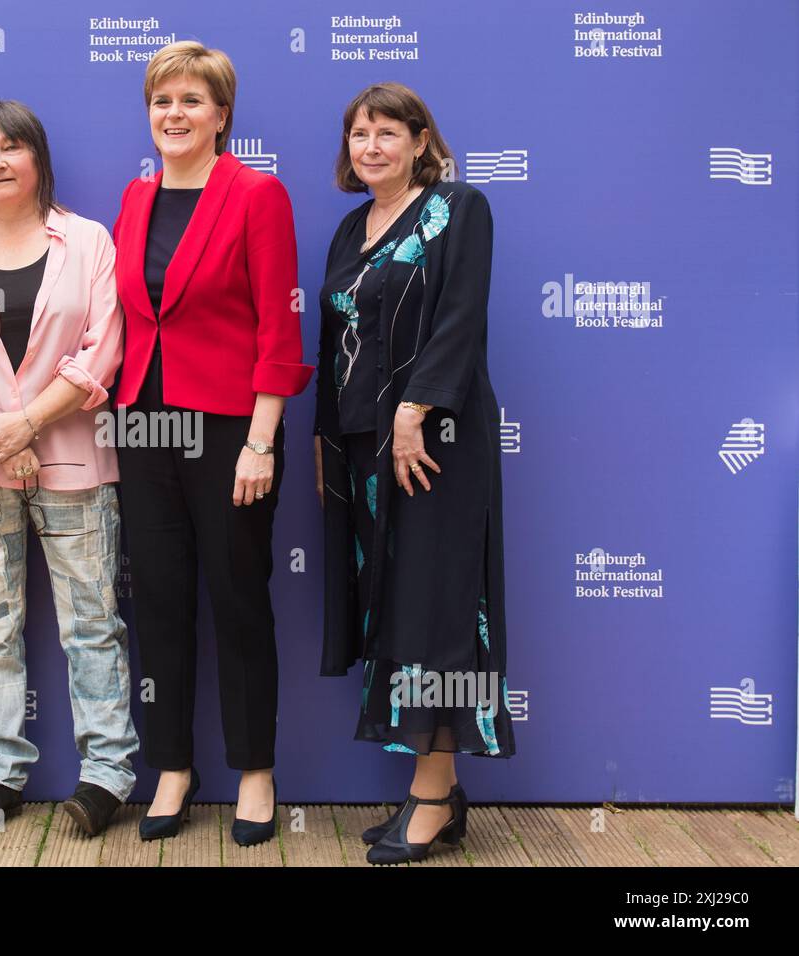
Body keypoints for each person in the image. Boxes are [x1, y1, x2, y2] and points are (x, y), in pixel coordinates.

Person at [0, 100, 138, 839]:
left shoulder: (87, 242)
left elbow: (100, 350)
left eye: (12, 147)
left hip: (73, 458)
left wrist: (28, 423)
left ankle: (107, 773)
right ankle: (1, 774)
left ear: (38, 157)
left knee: (92, 623)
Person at [111, 41, 313, 847]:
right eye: (162, 101)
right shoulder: (135, 198)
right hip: (143, 427)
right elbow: (131, 320)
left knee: (237, 599)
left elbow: (280, 326)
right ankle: (172, 767)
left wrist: (262, 442)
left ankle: (255, 771)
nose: (175, 114)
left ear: (222, 115)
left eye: (192, 100)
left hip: (233, 428)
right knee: (157, 602)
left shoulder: (257, 196)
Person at [313, 81, 516, 865]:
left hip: (437, 447)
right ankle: (442, 788)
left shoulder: (458, 210)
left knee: (437, 613)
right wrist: (334, 449)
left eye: (387, 132)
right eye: (359, 133)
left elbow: (461, 316)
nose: (371, 146)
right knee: (399, 610)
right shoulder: (348, 228)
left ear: (421, 140)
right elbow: (336, 345)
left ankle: (431, 797)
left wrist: (414, 411)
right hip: (366, 453)